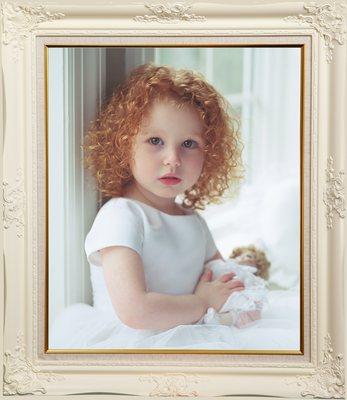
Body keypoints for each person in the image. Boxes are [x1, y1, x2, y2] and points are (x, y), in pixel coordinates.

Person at [50, 64, 295, 350]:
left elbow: (219, 275)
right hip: (139, 342)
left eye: (188, 143)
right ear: (123, 146)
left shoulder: (192, 220)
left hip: (194, 331)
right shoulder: (122, 216)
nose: (172, 159)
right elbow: (135, 311)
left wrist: (237, 281)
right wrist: (203, 302)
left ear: (210, 154)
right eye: (155, 141)